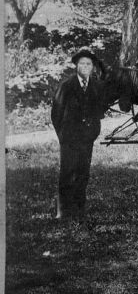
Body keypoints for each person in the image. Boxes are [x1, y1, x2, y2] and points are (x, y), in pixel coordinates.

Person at [51, 49, 107, 219]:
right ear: (76, 65)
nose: (85, 66)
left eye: (88, 64)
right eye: (82, 63)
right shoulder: (67, 86)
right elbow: (56, 113)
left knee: (83, 172)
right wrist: (63, 135)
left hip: (87, 138)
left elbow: (99, 111)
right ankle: (63, 211)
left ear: (93, 67)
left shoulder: (96, 86)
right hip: (69, 138)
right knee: (67, 172)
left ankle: (79, 209)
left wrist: (93, 132)